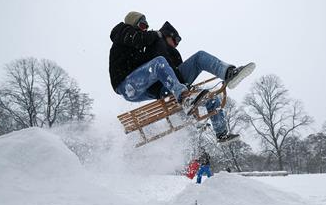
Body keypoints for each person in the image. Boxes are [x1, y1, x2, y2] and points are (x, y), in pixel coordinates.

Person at [109, 11, 255, 143]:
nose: (145, 29)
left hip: (159, 86)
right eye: (142, 25)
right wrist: (157, 35)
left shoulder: (147, 47)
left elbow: (167, 70)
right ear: (133, 23)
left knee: (200, 60)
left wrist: (187, 87)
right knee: (159, 63)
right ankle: (184, 98)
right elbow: (140, 40)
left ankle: (228, 76)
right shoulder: (123, 32)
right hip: (127, 85)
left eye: (146, 27)